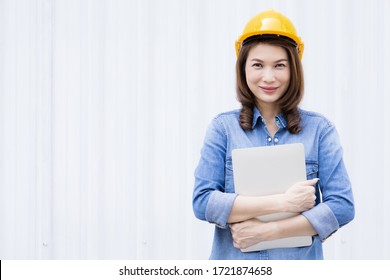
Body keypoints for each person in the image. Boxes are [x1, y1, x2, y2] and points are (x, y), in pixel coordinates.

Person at [192, 9, 355, 260]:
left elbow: (342, 207)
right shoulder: (223, 128)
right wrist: (283, 203)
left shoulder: (320, 130)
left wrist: (268, 231)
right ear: (243, 68)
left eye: (279, 66)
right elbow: (203, 203)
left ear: (293, 70)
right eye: (258, 65)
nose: (269, 77)